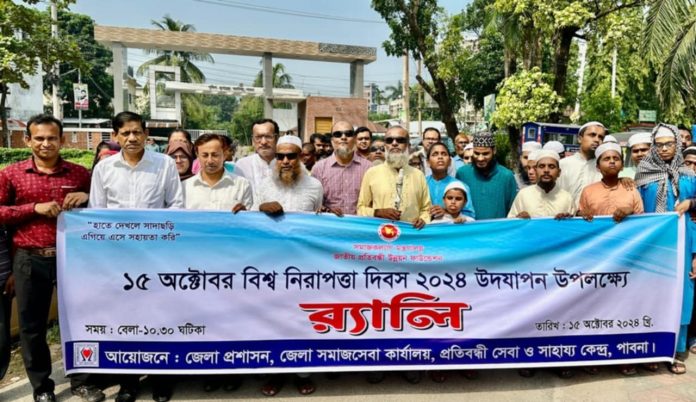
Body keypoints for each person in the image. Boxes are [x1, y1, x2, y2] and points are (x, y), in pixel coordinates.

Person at [0, 115, 98, 402]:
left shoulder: (79, 174)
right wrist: (34, 208)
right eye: (39, 138)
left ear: (62, 140)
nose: (46, 143)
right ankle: (42, 387)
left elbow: (100, 208)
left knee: (80, 320)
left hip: (74, 259)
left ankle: (82, 381)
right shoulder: (11, 174)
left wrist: (86, 197)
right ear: (28, 140)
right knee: (32, 327)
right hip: (30, 259)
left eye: (52, 138)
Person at [89, 112, 183, 402]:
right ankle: (128, 382)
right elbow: (97, 213)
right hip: (118, 259)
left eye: (137, 132)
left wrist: (153, 239)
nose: (132, 138)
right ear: (115, 136)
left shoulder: (164, 164)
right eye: (125, 133)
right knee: (124, 319)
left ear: (146, 135)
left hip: (156, 256)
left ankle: (161, 380)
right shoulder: (104, 168)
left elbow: (176, 207)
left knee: (159, 318)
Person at [636, 123, 696, 375]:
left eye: (668, 144)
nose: (663, 149)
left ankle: (675, 351)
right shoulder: (642, 176)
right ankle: (651, 349)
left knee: (681, 295)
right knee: (652, 295)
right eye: (658, 145)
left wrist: (691, 202)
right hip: (652, 248)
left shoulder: (689, 175)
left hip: (684, 245)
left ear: (678, 145)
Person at [357, 126, 430, 230]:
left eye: (400, 140)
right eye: (389, 140)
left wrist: (422, 220)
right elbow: (361, 209)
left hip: (411, 235)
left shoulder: (419, 175)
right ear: (385, 146)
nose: (394, 143)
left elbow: (426, 209)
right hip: (381, 234)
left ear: (408, 146)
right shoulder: (371, 173)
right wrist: (378, 212)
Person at [311, 121, 371, 216]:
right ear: (332, 141)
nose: (343, 137)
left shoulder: (368, 167)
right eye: (338, 134)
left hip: (360, 223)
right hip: (330, 223)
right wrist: (326, 210)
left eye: (348, 134)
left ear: (354, 139)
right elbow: (314, 204)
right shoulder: (319, 169)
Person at [255, 135, 323, 216]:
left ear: (300, 157)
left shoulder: (315, 186)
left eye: (291, 156)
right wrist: (261, 207)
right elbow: (252, 217)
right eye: (280, 156)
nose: (285, 161)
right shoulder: (264, 185)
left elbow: (318, 218)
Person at [183, 133, 252, 211]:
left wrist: (244, 213)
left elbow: (248, 216)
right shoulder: (185, 187)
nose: (210, 161)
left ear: (224, 155)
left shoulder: (242, 185)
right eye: (205, 155)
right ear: (197, 155)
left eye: (215, 155)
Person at [456, 132, 517, 220]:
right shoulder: (462, 174)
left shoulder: (507, 176)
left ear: (494, 151)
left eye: (485, 154)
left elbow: (513, 211)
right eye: (476, 153)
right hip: (469, 228)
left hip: (498, 228)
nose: (480, 158)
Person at [508, 150, 574, 219]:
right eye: (542, 166)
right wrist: (519, 218)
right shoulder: (523, 195)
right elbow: (511, 222)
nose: (546, 170)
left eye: (551, 167)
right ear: (536, 170)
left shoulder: (567, 198)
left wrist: (565, 221)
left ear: (559, 172)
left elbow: (574, 224)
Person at [556, 121, 606, 206]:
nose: (597, 140)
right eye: (592, 135)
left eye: (601, 137)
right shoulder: (563, 164)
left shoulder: (604, 167)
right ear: (579, 139)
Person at [426, 142, 475, 221]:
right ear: (428, 162)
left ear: (449, 162)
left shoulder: (461, 186)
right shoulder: (422, 184)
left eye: (444, 154)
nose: (440, 157)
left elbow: (470, 216)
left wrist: (448, 213)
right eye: (435, 154)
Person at [235, 119, 279, 200]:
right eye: (258, 137)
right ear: (252, 140)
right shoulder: (242, 166)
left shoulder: (287, 163)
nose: (263, 142)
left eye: (268, 137)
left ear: (276, 138)